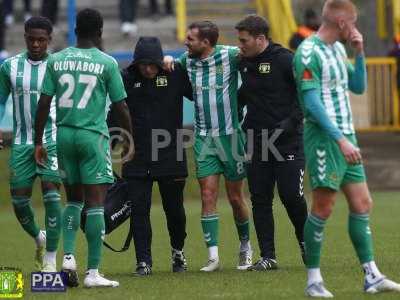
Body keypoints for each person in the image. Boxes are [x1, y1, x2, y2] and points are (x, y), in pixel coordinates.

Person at [293, 0, 400, 297]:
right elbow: (312, 103)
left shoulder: (339, 49)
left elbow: (358, 86)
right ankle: (313, 281)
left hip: (346, 137)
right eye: (352, 23)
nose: (355, 28)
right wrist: (339, 138)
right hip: (326, 139)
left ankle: (372, 276)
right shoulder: (308, 52)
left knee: (362, 203)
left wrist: (360, 51)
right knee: (323, 206)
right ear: (342, 23)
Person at [34, 8, 133, 288]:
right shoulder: (107, 63)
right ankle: (93, 273)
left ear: (76, 30)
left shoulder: (56, 59)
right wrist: (129, 138)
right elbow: (121, 106)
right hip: (93, 137)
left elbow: (44, 103)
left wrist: (39, 141)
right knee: (96, 203)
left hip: (63, 135)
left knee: (73, 200)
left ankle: (67, 258)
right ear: (100, 32)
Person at [167, 20, 252, 272]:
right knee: (207, 195)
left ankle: (245, 246)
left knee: (236, 198)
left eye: (190, 39)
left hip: (232, 137)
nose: (186, 42)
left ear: (206, 42)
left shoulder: (231, 55)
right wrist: (167, 58)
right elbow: (170, 61)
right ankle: (213, 256)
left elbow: (256, 53)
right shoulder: (187, 60)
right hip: (204, 138)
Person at [108, 36, 192, 276]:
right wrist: (110, 145)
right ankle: (143, 261)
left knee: (174, 210)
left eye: (152, 63)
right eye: (142, 64)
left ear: (160, 60)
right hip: (136, 156)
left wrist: (179, 62)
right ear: (135, 63)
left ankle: (178, 252)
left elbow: (199, 92)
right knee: (140, 211)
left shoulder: (174, 74)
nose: (147, 68)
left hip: (171, 154)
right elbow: (115, 114)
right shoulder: (124, 79)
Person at [235, 14, 308, 271]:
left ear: (261, 39)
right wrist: (237, 106)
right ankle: (268, 256)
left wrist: (291, 122)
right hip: (257, 141)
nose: (240, 45)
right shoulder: (243, 62)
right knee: (260, 199)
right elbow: (248, 93)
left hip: (288, 142)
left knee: (291, 197)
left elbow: (304, 94)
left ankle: (305, 242)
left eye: (244, 40)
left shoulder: (285, 59)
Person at [0, 17, 62, 272]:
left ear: (50, 40)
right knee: (19, 201)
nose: (36, 44)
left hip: (52, 140)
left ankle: (50, 260)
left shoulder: (58, 66)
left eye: (41, 40)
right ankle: (39, 237)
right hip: (22, 143)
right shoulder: (9, 67)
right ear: (24, 37)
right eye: (31, 39)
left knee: (51, 194)